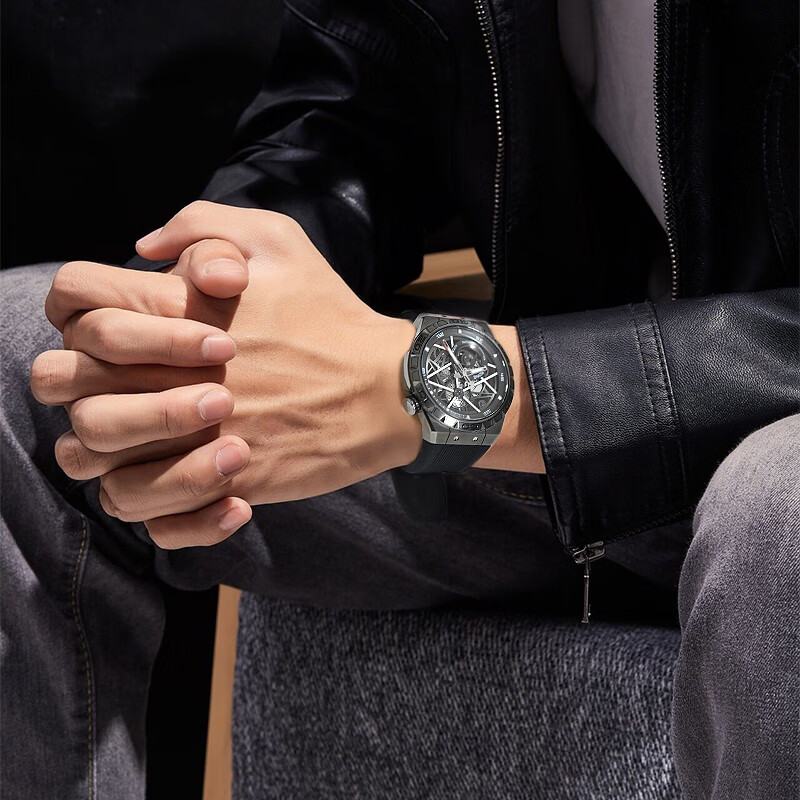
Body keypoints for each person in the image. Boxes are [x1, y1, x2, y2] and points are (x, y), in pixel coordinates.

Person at [2, 1, 798, 798]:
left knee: (776, 509)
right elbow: (348, 114)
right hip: (560, 465)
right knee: (29, 355)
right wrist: (210, 296)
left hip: (753, 456)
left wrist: (418, 384)